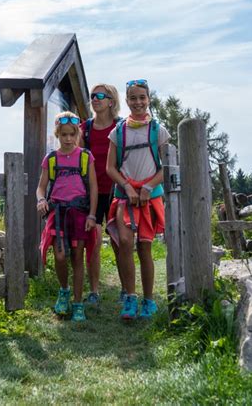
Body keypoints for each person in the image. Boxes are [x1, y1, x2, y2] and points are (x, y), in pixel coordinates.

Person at [106, 79, 170, 320]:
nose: (138, 102)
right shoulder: (118, 132)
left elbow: (168, 166)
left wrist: (148, 186)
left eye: (142, 97)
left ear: (149, 99)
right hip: (124, 197)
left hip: (149, 199)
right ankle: (130, 298)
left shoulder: (158, 130)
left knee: (145, 247)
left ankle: (149, 300)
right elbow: (110, 167)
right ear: (127, 101)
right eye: (133, 98)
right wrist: (127, 187)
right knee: (124, 242)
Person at [36, 111, 98, 322]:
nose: (68, 139)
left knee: (77, 257)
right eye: (64, 135)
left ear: (77, 134)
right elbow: (41, 187)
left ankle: (79, 304)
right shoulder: (51, 159)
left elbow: (93, 187)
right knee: (61, 256)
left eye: (72, 134)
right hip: (58, 213)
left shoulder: (85, 157)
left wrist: (92, 215)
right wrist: (41, 200)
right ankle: (64, 291)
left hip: (79, 214)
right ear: (57, 134)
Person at [80, 84, 125, 308]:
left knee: (119, 242)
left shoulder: (122, 127)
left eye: (100, 96)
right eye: (93, 96)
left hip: (117, 191)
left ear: (111, 101)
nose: (95, 99)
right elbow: (76, 157)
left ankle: (127, 289)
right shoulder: (84, 128)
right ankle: (94, 291)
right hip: (93, 194)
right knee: (94, 242)